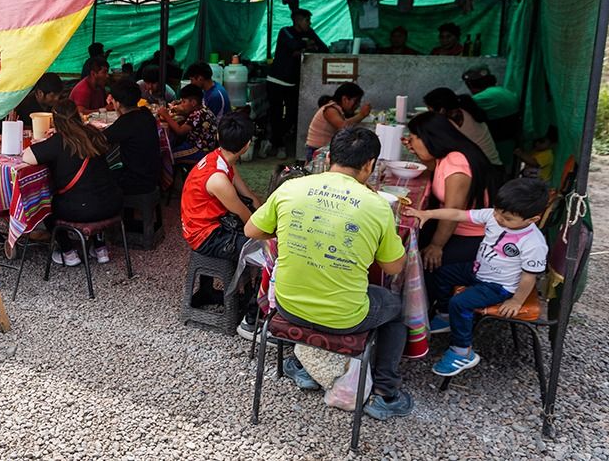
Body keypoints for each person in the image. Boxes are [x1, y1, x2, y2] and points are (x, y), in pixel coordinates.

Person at [244, 126, 413, 419]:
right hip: (346, 318)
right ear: (369, 165)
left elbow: (252, 230)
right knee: (397, 309)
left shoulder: (291, 188)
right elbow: (394, 267)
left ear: (329, 157)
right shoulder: (376, 206)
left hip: (288, 306)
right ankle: (386, 393)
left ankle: (305, 365)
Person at [405, 178, 550, 377]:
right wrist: (427, 214)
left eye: (507, 218)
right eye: (497, 211)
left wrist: (516, 301)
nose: (498, 218)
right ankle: (446, 315)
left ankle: (462, 351)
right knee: (441, 272)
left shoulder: (533, 242)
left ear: (532, 219)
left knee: (461, 303)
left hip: (499, 286)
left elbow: (528, 277)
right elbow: (457, 214)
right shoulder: (493, 215)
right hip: (478, 270)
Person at [180, 113, 261, 333]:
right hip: (205, 236)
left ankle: (243, 297)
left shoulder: (220, 158)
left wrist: (260, 205)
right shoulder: (218, 179)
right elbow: (248, 220)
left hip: (211, 224)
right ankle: (253, 317)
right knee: (266, 251)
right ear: (247, 145)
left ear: (218, 136)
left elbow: (250, 197)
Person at [21, 99, 122, 266]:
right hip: (113, 203)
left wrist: (46, 141)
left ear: (56, 121)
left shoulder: (58, 141)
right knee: (95, 190)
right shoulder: (94, 133)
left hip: (81, 210)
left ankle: (68, 252)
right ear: (77, 116)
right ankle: (100, 247)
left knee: (46, 205)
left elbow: (26, 156)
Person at [405, 111, 500, 271]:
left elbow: (453, 210)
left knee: (419, 260)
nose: (410, 143)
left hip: (472, 235)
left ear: (427, 138)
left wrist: (436, 246)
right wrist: (419, 153)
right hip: (455, 227)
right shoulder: (448, 155)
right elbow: (436, 172)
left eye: (412, 138)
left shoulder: (456, 164)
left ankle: (431, 294)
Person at [265, 7, 326, 157]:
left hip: (293, 82)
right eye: (307, 20)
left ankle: (276, 140)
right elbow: (294, 46)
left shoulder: (309, 32)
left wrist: (305, 46)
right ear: (297, 20)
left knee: (292, 115)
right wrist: (306, 45)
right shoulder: (285, 31)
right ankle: (277, 145)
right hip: (276, 80)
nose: (309, 23)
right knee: (276, 114)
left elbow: (323, 47)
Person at [103, 80, 161, 197]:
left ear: (118, 104)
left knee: (101, 175)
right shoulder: (146, 113)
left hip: (136, 181)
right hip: (153, 175)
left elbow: (101, 139)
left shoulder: (125, 122)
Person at [423, 87, 502, 167]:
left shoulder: (451, 122)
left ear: (442, 110)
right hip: (492, 164)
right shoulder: (466, 110)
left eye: (429, 108)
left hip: (487, 170)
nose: (428, 111)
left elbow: (435, 149)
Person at [461, 66, 520, 162]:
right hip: (511, 145)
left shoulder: (482, 98)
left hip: (498, 146)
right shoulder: (504, 91)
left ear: (470, 85)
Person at [304, 82, 371, 161]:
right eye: (356, 101)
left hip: (324, 149)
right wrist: (361, 115)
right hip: (317, 151)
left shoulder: (337, 109)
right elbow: (343, 126)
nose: (358, 105)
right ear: (345, 99)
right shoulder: (330, 109)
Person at [159, 84, 219, 165]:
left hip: (199, 149)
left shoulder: (197, 114)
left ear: (193, 102)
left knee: (168, 156)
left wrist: (166, 115)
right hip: (206, 146)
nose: (182, 104)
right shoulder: (203, 109)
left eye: (184, 101)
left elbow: (180, 131)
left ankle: (172, 176)